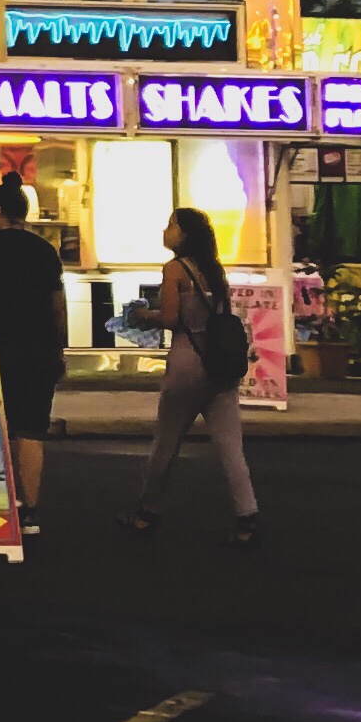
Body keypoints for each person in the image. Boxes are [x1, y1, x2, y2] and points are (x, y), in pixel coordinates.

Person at [126, 208, 260, 549]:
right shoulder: (214, 270)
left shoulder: (175, 269)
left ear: (183, 235)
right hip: (220, 365)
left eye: (172, 224)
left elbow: (171, 318)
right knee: (231, 446)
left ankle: (147, 512)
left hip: (188, 361)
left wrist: (142, 315)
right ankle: (247, 514)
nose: (165, 229)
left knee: (167, 442)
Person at [0, 180, 69, 531]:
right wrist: (60, 348)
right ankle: (31, 511)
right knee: (32, 430)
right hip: (40, 347)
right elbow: (58, 305)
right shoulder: (44, 249)